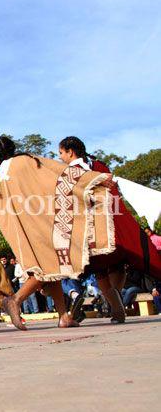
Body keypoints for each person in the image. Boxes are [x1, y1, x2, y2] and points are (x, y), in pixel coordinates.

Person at [0, 136, 115, 329]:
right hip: (40, 223)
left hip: (20, 230)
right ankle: (15, 299)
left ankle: (64, 316)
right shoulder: (26, 161)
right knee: (49, 266)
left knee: (52, 270)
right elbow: (60, 173)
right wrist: (94, 180)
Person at [58, 136, 161, 323]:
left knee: (100, 270)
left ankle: (117, 309)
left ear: (70, 152)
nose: (61, 157)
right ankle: (116, 305)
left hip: (95, 229)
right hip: (116, 224)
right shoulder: (99, 165)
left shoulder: (72, 171)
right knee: (117, 264)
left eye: (61, 153)